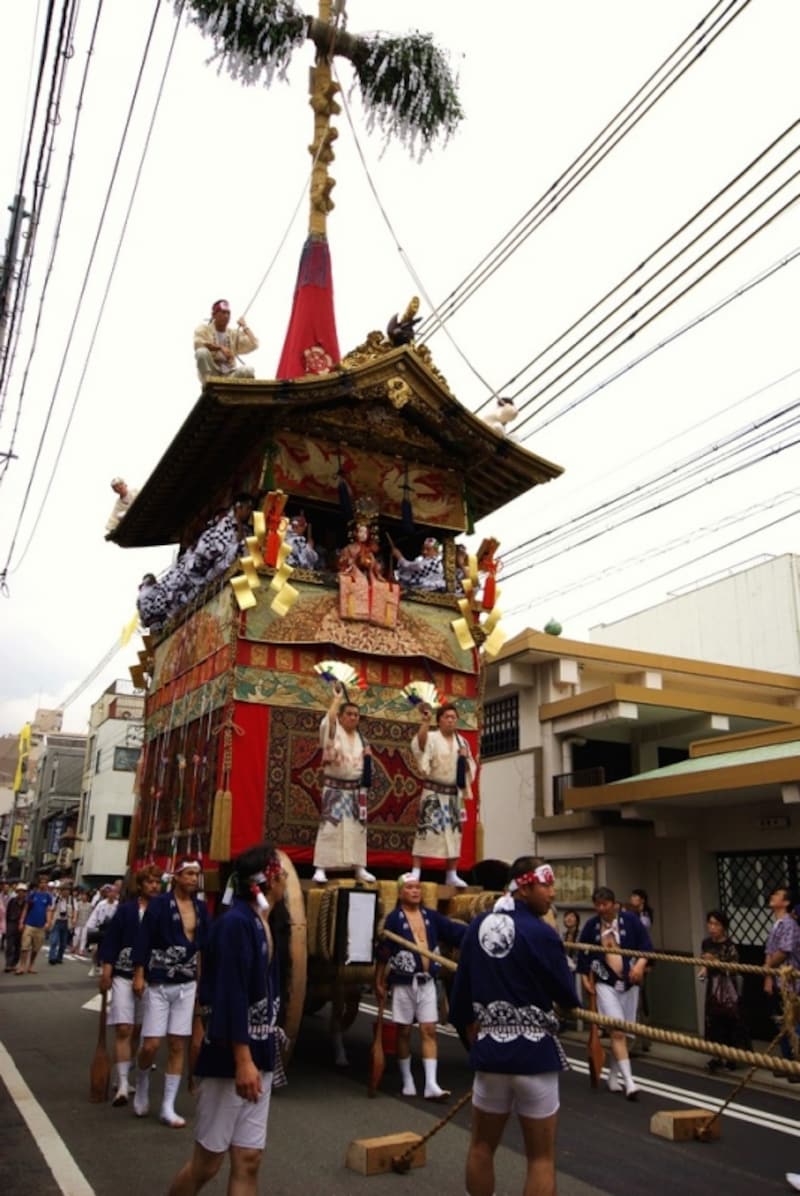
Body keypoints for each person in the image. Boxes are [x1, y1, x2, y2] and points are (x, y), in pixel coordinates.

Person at [449, 857, 576, 1196]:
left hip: (490, 1053)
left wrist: (472, 1032)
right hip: (534, 1056)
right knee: (541, 1159)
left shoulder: (478, 926)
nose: (552, 893)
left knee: (481, 1146)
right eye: (546, 885)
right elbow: (567, 994)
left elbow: (460, 993)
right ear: (524, 886)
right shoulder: (542, 933)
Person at [166, 843, 286, 1196]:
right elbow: (230, 993)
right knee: (207, 1163)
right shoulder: (235, 924)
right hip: (231, 1056)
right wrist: (242, 1060)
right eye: (282, 873)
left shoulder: (261, 921)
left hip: (260, 1048)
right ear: (269, 879)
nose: (286, 879)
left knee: (249, 1160)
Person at [374, 873, 466, 1101]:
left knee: (429, 1030)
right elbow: (384, 952)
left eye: (417, 887)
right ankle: (407, 1080)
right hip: (403, 982)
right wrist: (379, 981)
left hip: (427, 982)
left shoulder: (431, 917)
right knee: (404, 1031)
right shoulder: (394, 919)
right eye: (410, 887)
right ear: (400, 893)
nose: (415, 891)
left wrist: (478, 931)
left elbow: (455, 932)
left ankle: (431, 1084)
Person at [132, 859, 209, 1127]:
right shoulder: (159, 905)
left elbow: (204, 947)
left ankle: (167, 1106)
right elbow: (144, 939)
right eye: (188, 874)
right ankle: (142, 1081)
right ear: (176, 877)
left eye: (196, 874)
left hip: (187, 983)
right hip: (159, 981)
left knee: (177, 1044)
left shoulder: (200, 908)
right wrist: (139, 973)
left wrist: (202, 982)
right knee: (151, 1044)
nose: (193, 879)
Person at [577, 885, 652, 1100]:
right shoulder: (592, 926)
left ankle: (613, 1076)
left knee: (624, 1032)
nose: (601, 908)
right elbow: (583, 952)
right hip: (605, 981)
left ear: (614, 904)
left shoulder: (630, 921)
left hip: (629, 981)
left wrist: (639, 966)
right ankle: (629, 1082)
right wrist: (584, 976)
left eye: (605, 904)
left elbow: (647, 946)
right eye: (598, 905)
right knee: (617, 1030)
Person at [99, 866, 163, 1106]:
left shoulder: (164, 911)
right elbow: (112, 940)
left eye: (157, 882)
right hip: (123, 974)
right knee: (124, 1028)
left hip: (151, 977)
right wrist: (107, 970)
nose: (154, 886)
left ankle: (125, 1072)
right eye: (150, 882)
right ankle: (123, 1085)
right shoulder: (126, 910)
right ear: (141, 885)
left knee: (138, 1030)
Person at [311, 684, 375, 885]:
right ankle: (321, 868)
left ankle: (359, 867)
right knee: (330, 827)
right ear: (340, 716)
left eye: (356, 715)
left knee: (358, 829)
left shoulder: (362, 739)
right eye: (349, 714)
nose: (353, 717)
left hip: (356, 790)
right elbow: (327, 722)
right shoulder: (334, 731)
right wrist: (337, 699)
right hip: (335, 788)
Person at [409, 702, 476, 888]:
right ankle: (416, 870)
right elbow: (419, 745)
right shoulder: (431, 737)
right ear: (439, 721)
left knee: (454, 834)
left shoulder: (462, 742)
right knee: (425, 830)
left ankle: (451, 873)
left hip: (453, 794)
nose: (451, 720)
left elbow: (471, 767)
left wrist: (465, 757)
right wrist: (425, 722)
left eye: (453, 717)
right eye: (447, 717)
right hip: (433, 791)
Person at [699, 909, 749, 1072]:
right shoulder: (706, 943)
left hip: (728, 987)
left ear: (723, 927)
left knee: (729, 1019)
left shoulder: (729, 946)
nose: (712, 927)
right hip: (712, 986)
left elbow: (734, 967)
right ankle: (716, 1056)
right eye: (710, 924)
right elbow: (704, 962)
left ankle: (731, 1057)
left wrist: (716, 961)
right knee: (713, 1020)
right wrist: (704, 969)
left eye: (716, 924)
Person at [764, 886, 800, 1082]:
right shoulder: (776, 924)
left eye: (777, 895)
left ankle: (797, 1063)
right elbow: (769, 951)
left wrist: (767, 967)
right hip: (779, 979)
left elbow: (784, 951)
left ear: (786, 902)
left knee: (794, 1022)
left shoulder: (789, 924)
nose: (772, 896)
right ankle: (787, 1062)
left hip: (792, 982)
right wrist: (768, 976)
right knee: (783, 1021)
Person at [194, 299, 258, 381]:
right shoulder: (204, 329)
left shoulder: (233, 334)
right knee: (201, 352)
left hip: (229, 375)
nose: (226, 316)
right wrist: (220, 348)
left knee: (249, 370)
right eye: (223, 312)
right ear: (214, 315)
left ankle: (230, 385)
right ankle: (208, 383)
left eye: (228, 313)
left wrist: (245, 326)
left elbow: (254, 344)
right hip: (211, 373)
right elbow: (198, 344)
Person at [15, 875, 54, 975]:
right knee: (24, 947)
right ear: (38, 884)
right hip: (29, 924)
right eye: (41, 882)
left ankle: (31, 965)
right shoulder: (32, 894)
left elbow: (48, 910)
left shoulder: (48, 896)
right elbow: (26, 908)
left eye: (45, 883)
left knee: (35, 949)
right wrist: (21, 922)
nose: (43, 884)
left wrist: (48, 922)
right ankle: (22, 966)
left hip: (40, 926)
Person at [84, 881, 121, 976]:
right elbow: (94, 916)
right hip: (100, 928)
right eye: (110, 892)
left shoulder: (118, 905)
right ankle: (93, 966)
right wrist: (91, 927)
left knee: (107, 949)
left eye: (114, 892)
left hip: (111, 929)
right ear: (107, 893)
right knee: (96, 949)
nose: (112, 894)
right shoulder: (101, 904)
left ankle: (102, 966)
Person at [48, 880, 76, 965]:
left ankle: (59, 957)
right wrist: (50, 920)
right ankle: (52, 958)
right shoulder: (56, 899)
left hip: (67, 922)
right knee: (54, 940)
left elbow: (75, 910)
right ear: (61, 890)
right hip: (57, 920)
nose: (66, 892)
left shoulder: (72, 900)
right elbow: (51, 909)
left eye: (67, 890)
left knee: (63, 943)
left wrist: (74, 919)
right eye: (64, 890)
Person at [561, 909, 582, 1012]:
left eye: (572, 916)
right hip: (565, 968)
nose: (569, 918)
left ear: (577, 920)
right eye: (567, 916)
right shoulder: (563, 935)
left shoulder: (581, 935)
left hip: (577, 968)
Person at [4, 883, 27, 972]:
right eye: (19, 891)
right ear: (17, 892)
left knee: (18, 945)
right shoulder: (12, 900)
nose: (21, 893)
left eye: (23, 891)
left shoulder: (27, 902)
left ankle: (14, 963)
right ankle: (8, 964)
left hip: (22, 924)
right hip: (12, 923)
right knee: (9, 944)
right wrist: (7, 923)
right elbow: (7, 912)